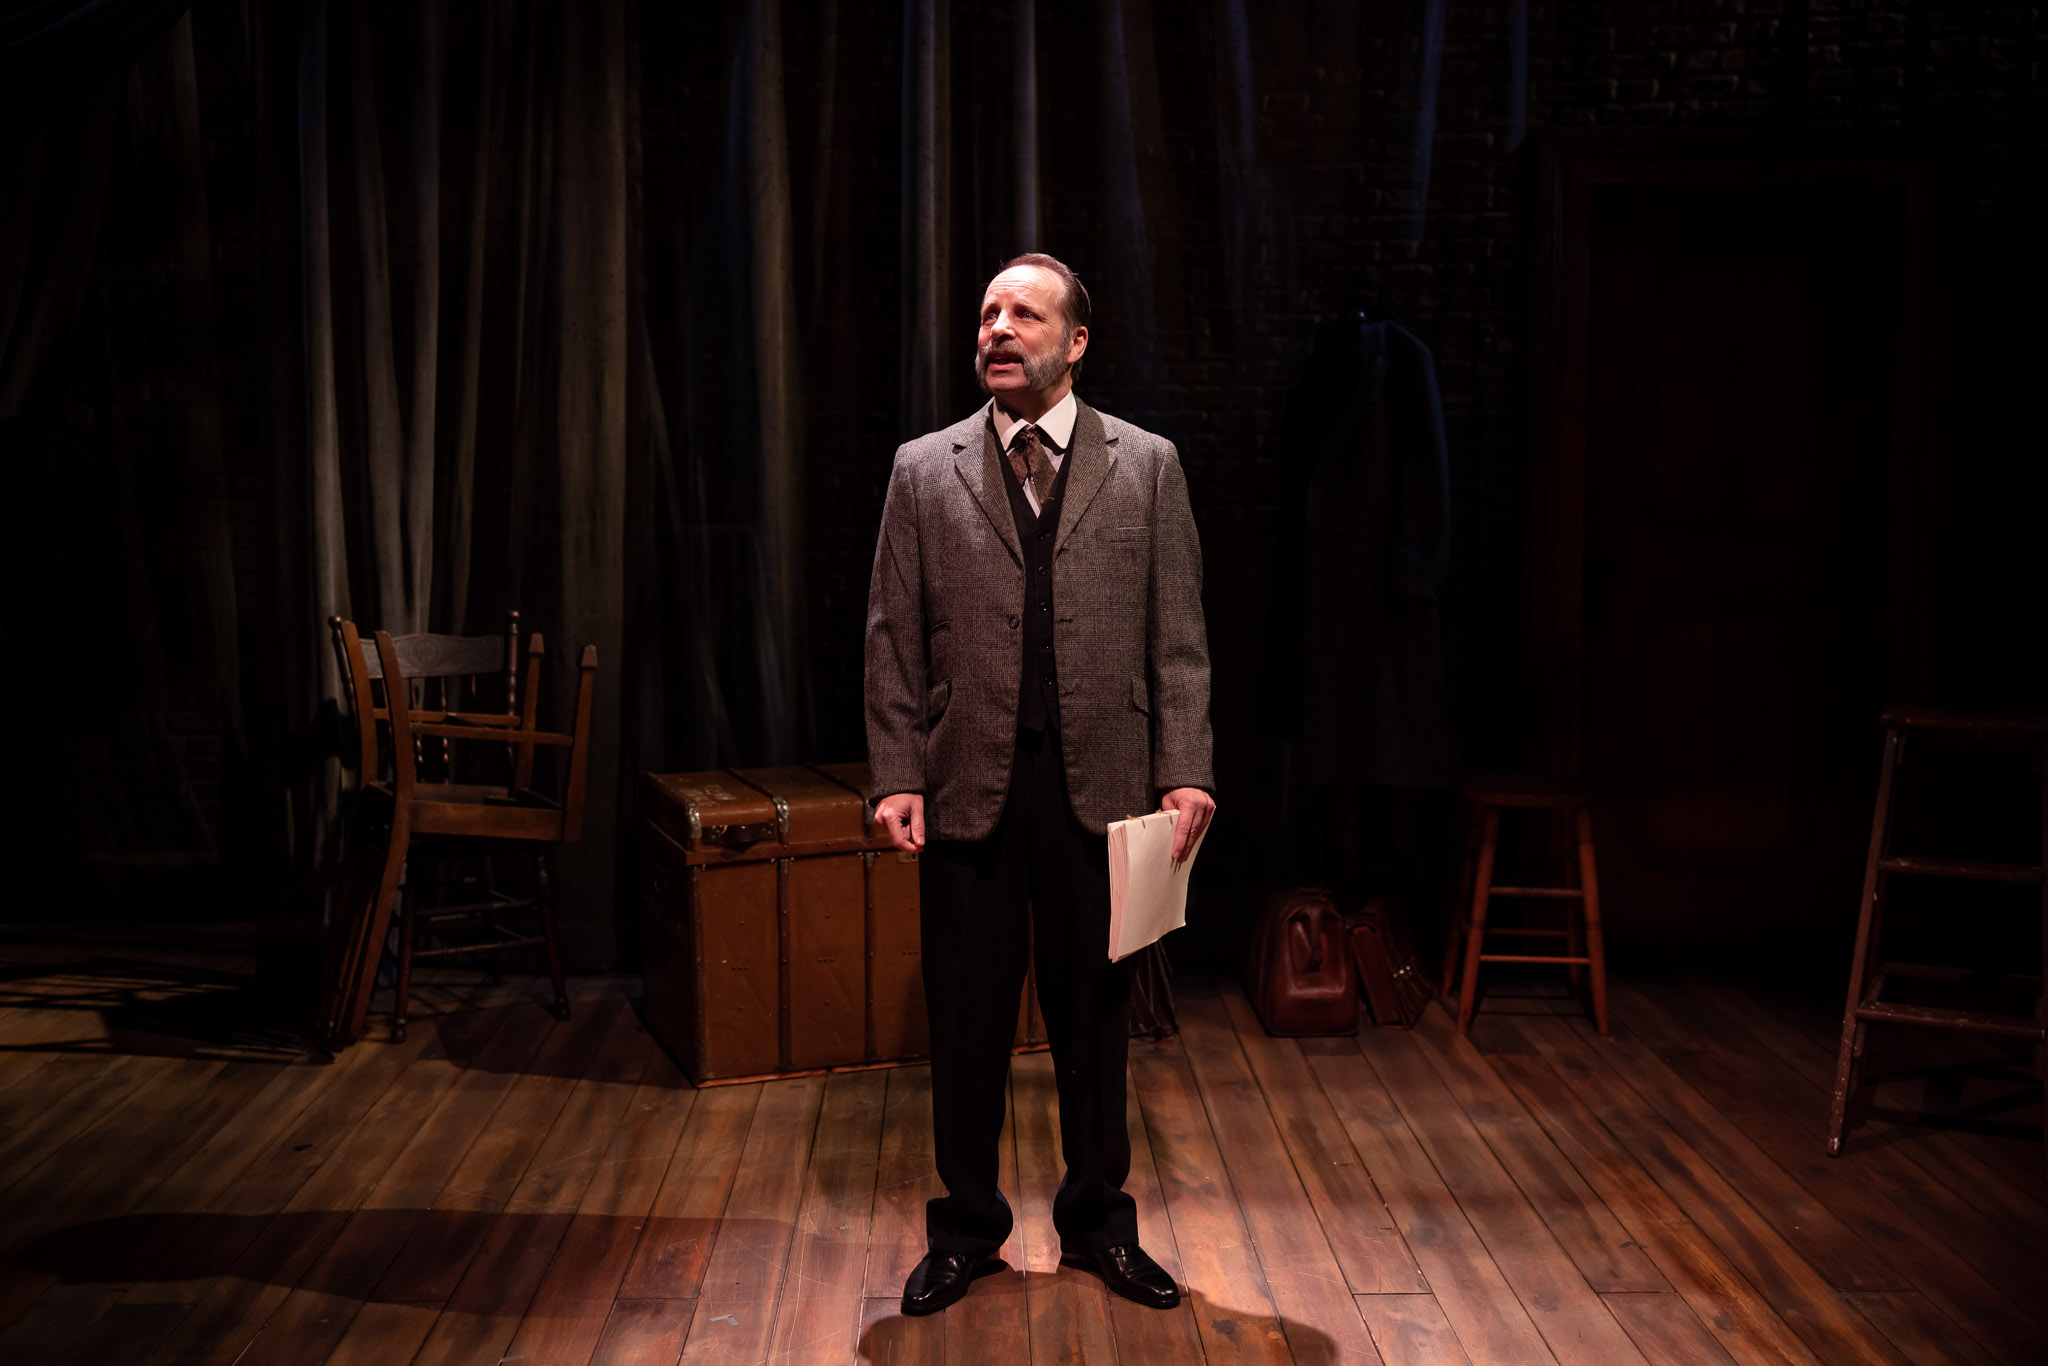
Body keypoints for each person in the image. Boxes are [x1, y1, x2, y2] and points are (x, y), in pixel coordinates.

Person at [864, 253, 1216, 1316]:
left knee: (1093, 1019)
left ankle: (1098, 1223)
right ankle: (968, 1229)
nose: (998, 329)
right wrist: (894, 773)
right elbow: (889, 638)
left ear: (1074, 342)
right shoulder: (923, 469)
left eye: (1024, 313)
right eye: (986, 313)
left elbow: (1179, 638)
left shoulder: (1146, 465)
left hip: (1099, 791)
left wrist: (1186, 767)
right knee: (967, 1024)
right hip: (966, 783)